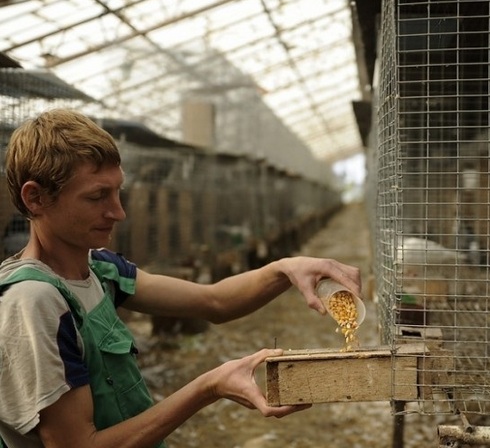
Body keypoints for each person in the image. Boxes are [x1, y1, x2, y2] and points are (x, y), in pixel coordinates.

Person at [0, 109, 362, 448]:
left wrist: (285, 268)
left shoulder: (99, 269)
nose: (119, 212)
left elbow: (214, 301)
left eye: (117, 192)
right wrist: (208, 387)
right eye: (97, 197)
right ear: (35, 199)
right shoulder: (35, 302)